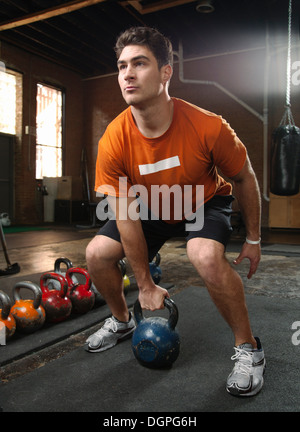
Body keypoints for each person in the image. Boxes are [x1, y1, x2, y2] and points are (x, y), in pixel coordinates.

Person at [85, 26, 266, 397]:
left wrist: (253, 238)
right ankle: (122, 321)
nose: (128, 74)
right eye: (121, 66)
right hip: (151, 206)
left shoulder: (208, 127)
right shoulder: (114, 139)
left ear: (166, 72)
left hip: (203, 201)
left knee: (206, 257)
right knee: (96, 254)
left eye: (139, 63)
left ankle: (249, 348)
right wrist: (146, 285)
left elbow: (245, 178)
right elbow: (125, 213)